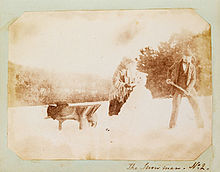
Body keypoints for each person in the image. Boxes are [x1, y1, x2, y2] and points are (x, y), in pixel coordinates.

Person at [166, 51, 204, 128]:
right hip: (178, 87)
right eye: (186, 57)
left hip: (189, 88)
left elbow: (193, 79)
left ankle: (200, 125)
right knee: (176, 106)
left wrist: (188, 89)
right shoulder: (176, 64)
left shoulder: (192, 67)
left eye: (189, 57)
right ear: (183, 57)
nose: (188, 59)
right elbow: (169, 70)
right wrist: (168, 78)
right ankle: (172, 126)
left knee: (196, 104)